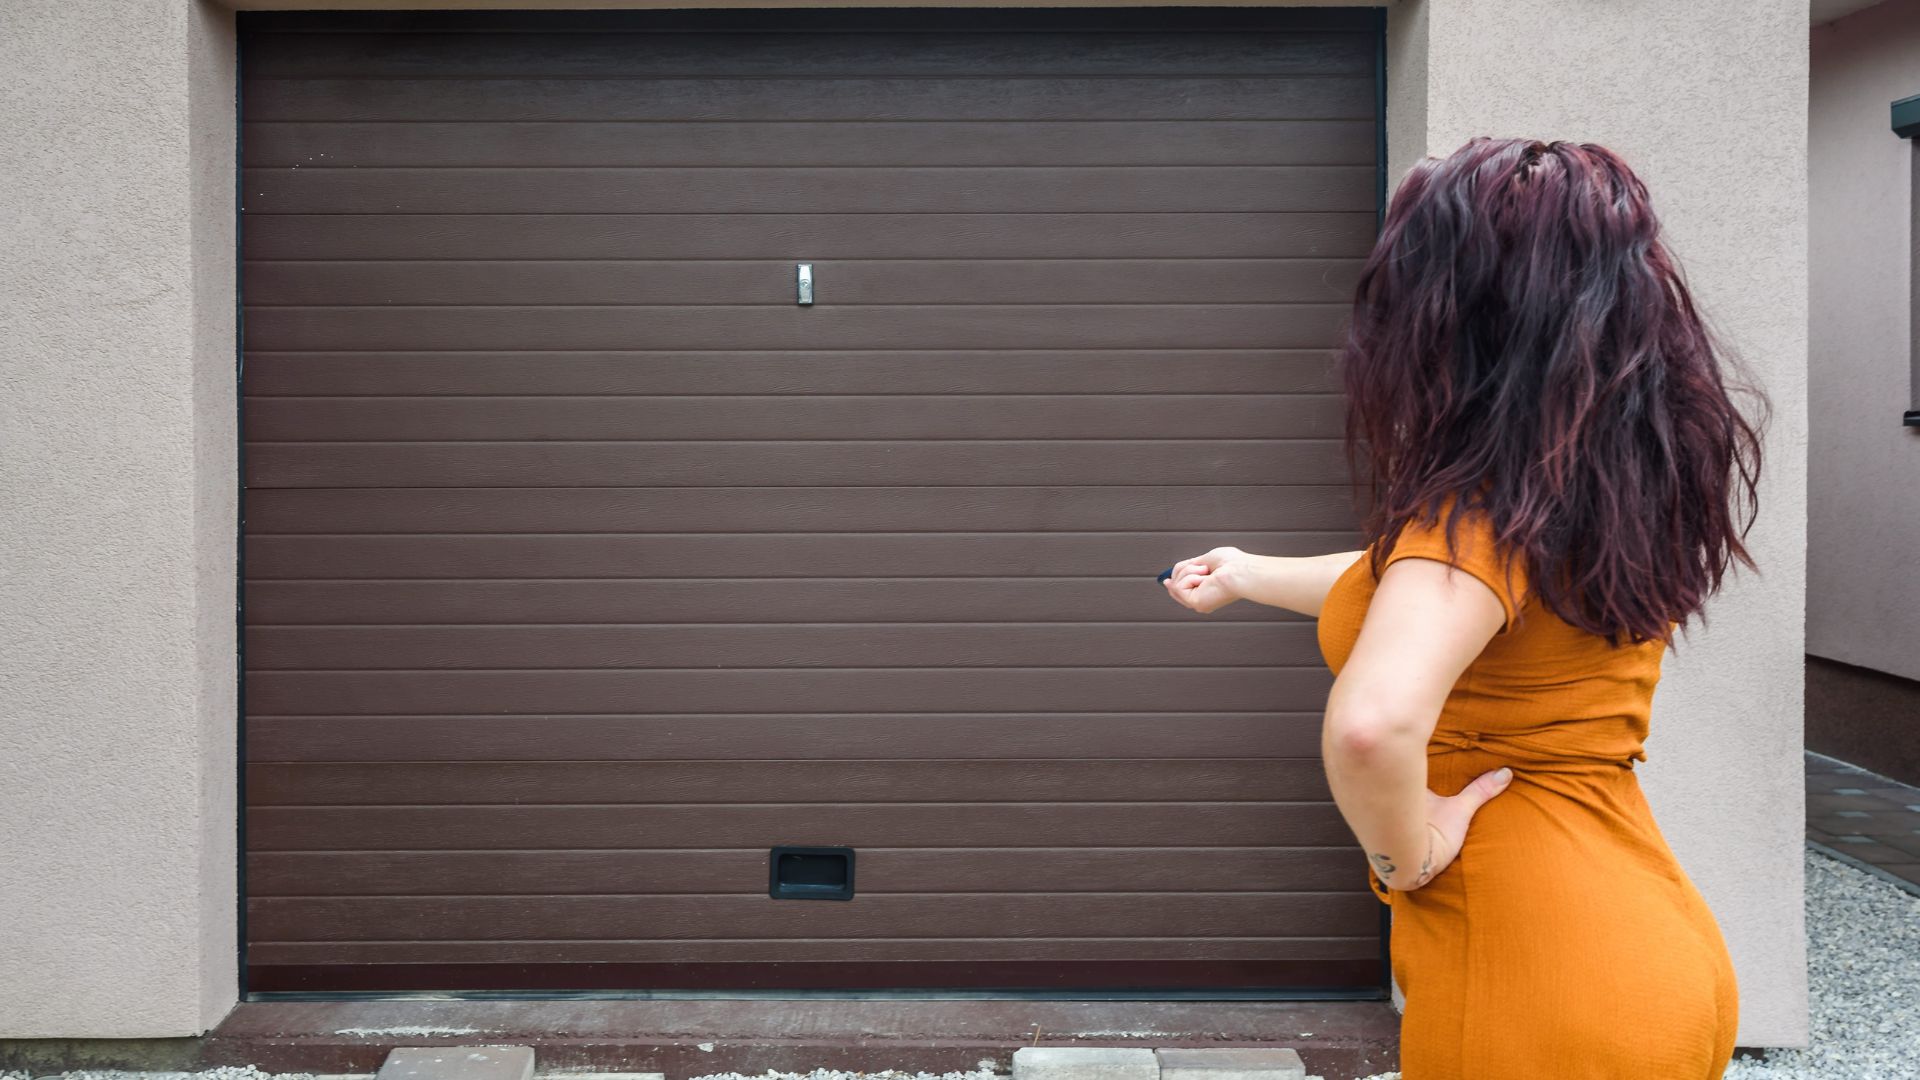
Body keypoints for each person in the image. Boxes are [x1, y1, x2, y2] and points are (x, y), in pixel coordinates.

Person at [1161, 137, 1769, 1080]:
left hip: (1536, 985)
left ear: (1463, 318)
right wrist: (1247, 573)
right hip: (1646, 950)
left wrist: (1406, 857)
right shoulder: (1591, 490)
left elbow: (1371, 726)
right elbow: (1416, 587)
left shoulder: (1479, 511)